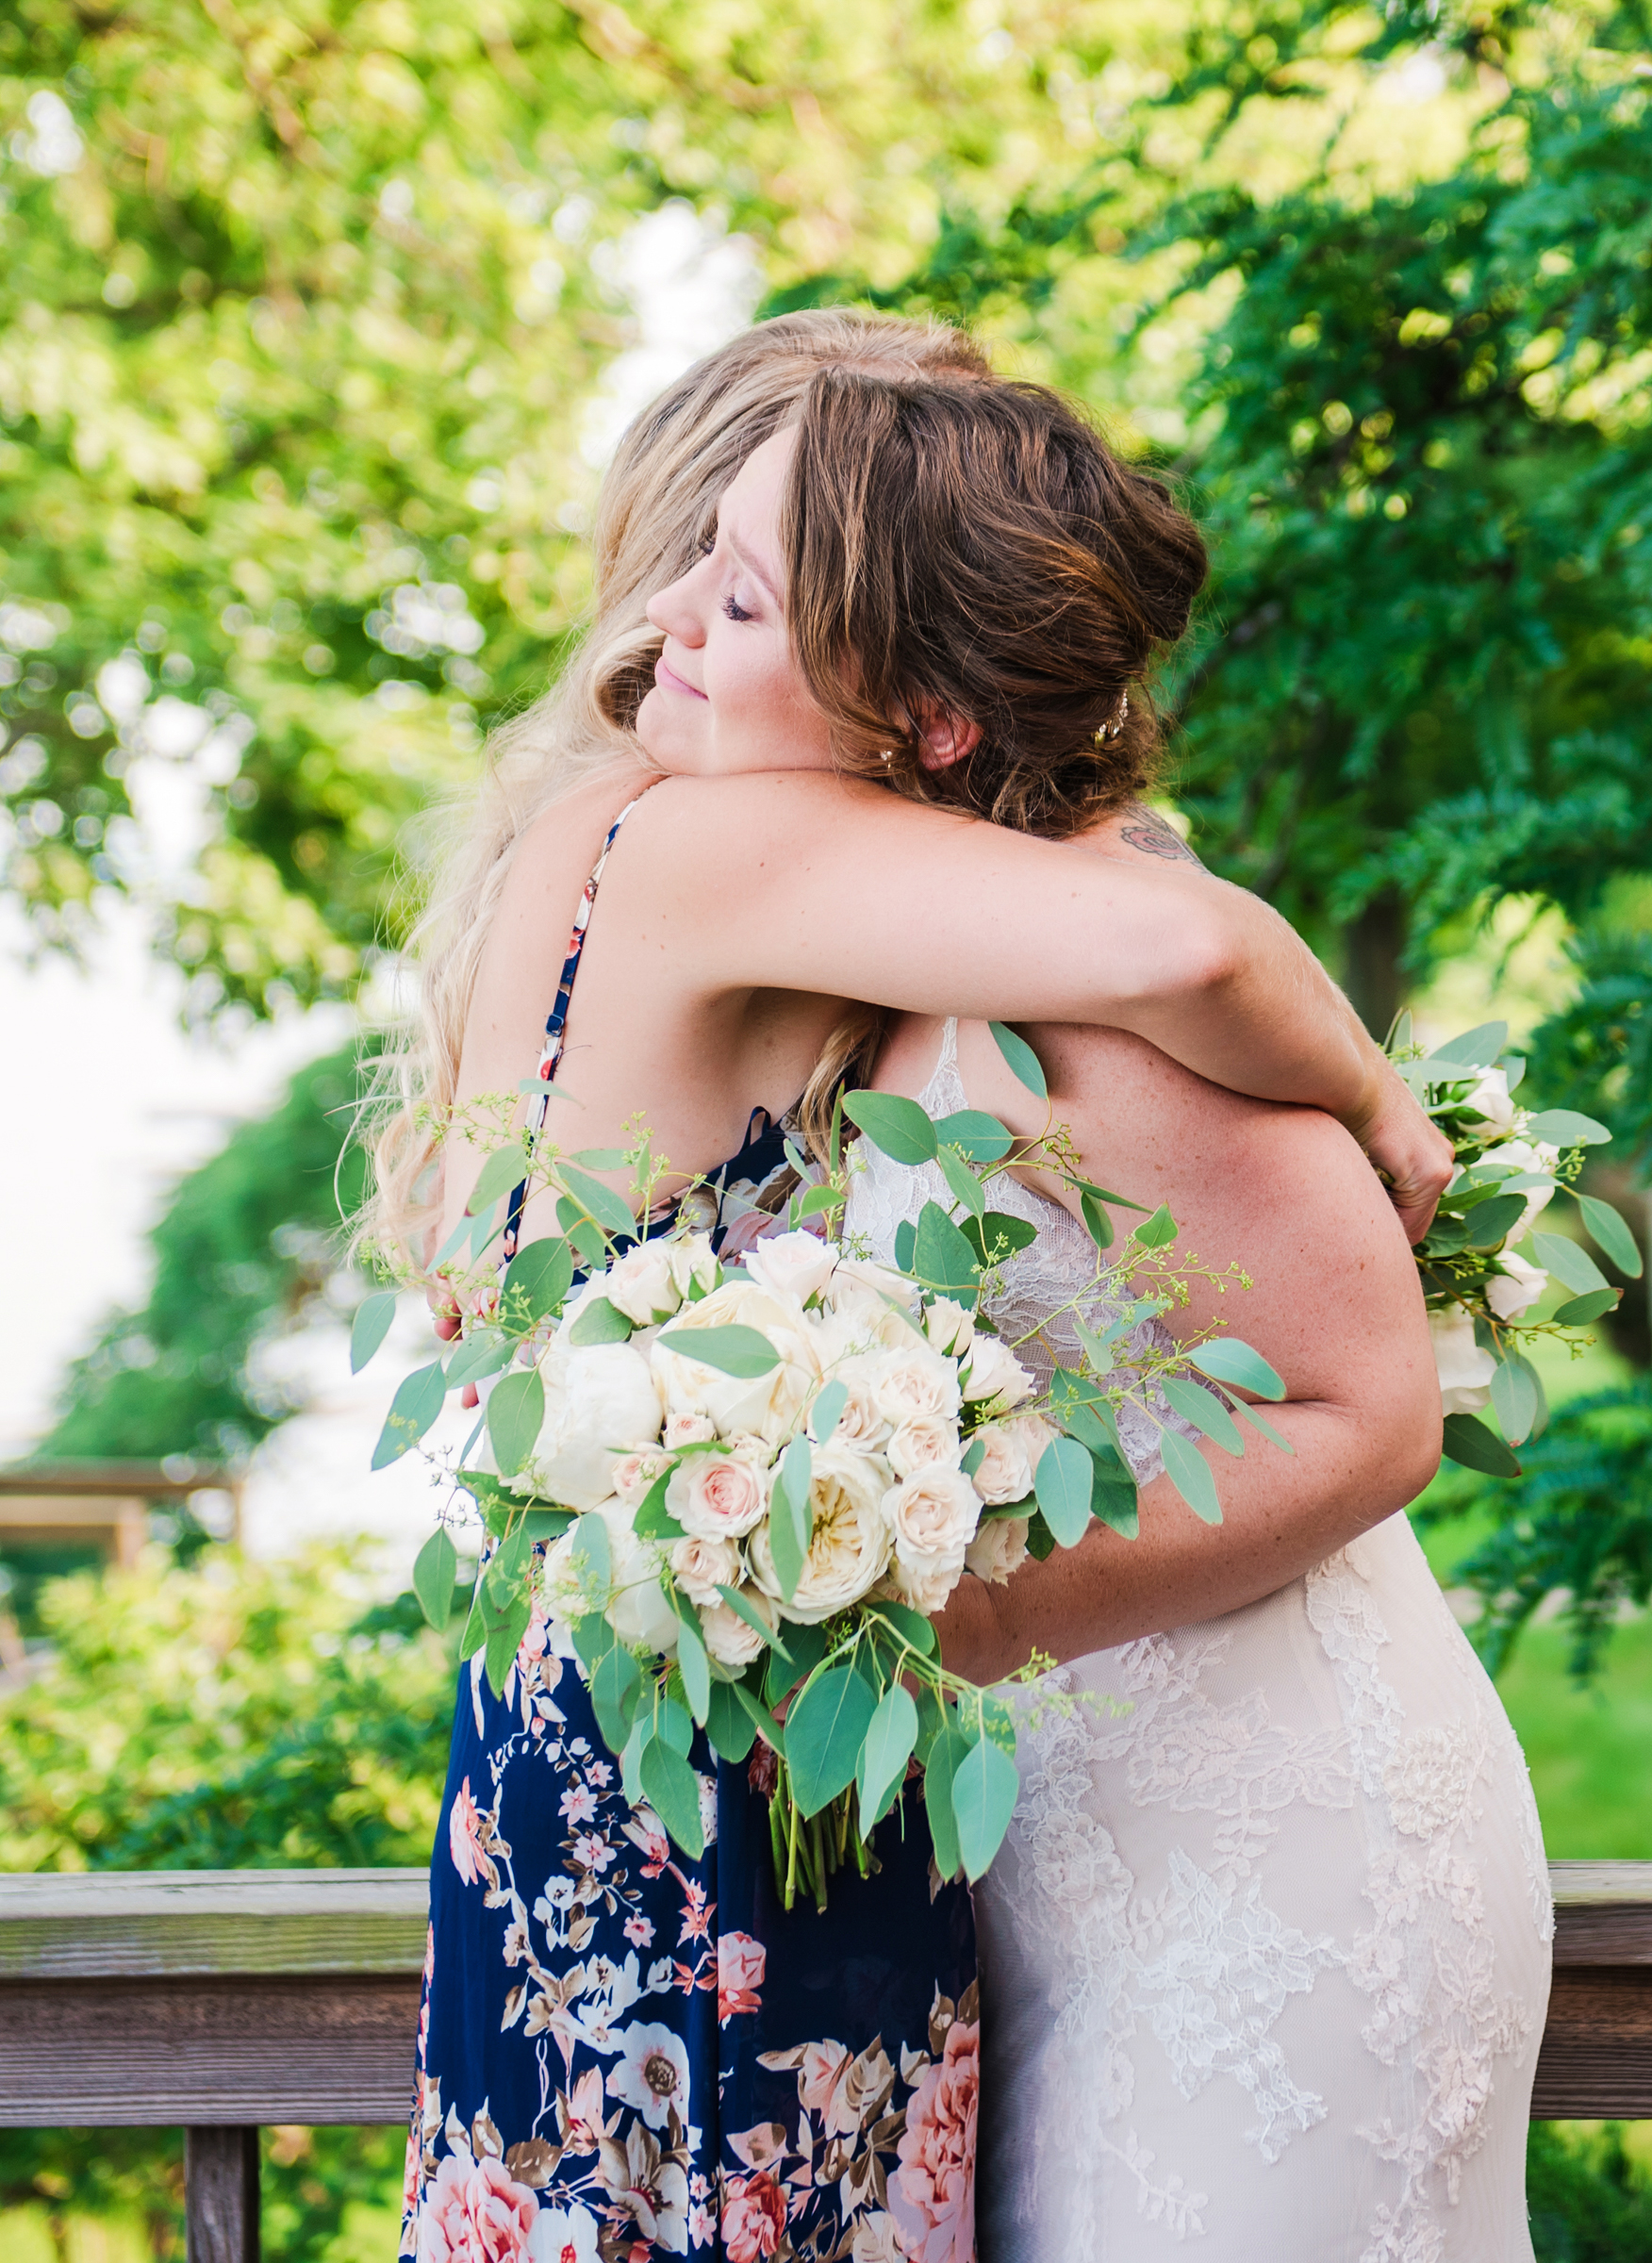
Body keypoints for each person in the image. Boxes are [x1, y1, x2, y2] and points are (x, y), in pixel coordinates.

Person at [377, 312, 1451, 2262]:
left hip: (558, 1758)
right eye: (710, 574)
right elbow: (1188, 952)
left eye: (750, 596)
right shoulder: (728, 837)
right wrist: (1378, 1093)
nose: (685, 632)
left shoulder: (573, 848)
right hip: (742, 1792)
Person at [775, 372, 1550, 2259]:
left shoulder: (1117, 990)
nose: (678, 642)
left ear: (931, 715)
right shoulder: (938, 956)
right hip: (1085, 1868)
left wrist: (970, 1607)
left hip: (1275, 1857)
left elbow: (1372, 1412)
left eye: (741, 595)